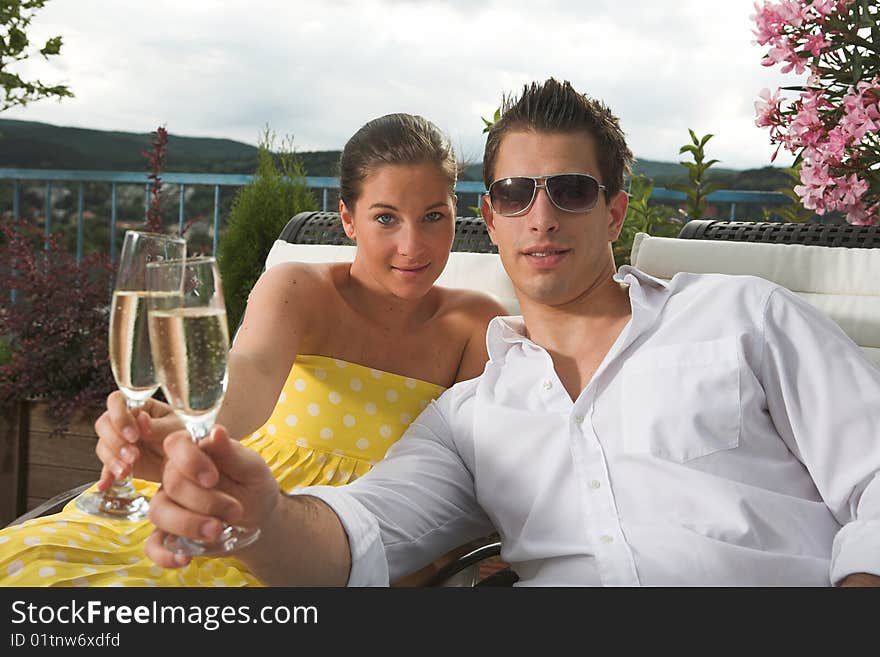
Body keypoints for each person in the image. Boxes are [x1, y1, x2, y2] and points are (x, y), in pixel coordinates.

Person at [144, 78, 880, 587]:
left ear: (615, 213)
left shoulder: (742, 317)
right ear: (489, 219)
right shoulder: (472, 415)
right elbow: (355, 540)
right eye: (514, 192)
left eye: (571, 190)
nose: (542, 215)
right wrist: (261, 515)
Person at [0, 113, 506, 587]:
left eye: (433, 216)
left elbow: (467, 476)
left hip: (349, 538)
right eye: (385, 218)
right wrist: (178, 428)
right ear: (348, 219)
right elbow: (248, 380)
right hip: (235, 494)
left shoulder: (475, 326)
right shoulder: (300, 289)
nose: (412, 245)